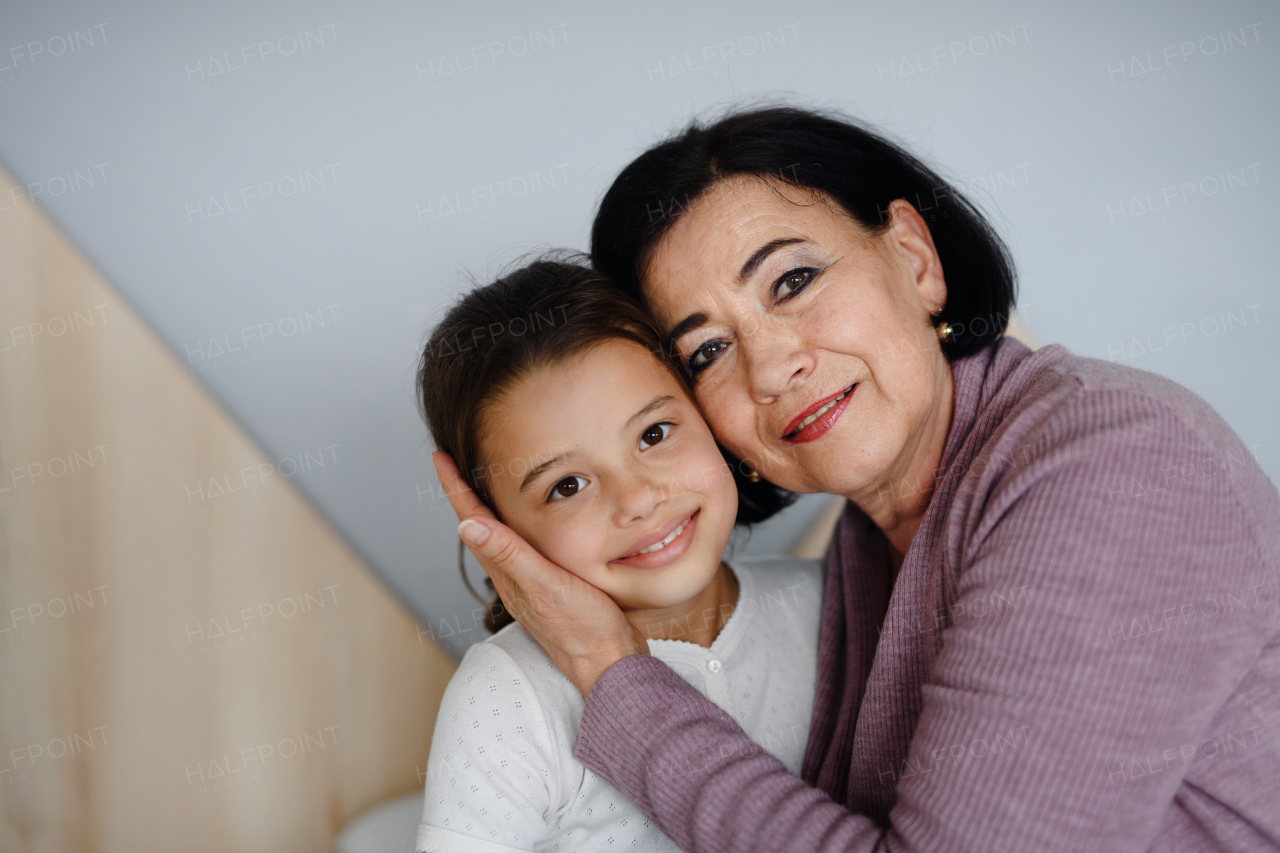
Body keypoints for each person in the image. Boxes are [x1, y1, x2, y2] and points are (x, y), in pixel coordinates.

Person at [435, 106, 1280, 852]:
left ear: (914, 257)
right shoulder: (863, 555)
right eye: (708, 350)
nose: (772, 367)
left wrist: (611, 669)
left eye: (793, 281)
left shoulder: (1113, 464)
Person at [415, 258, 825, 852]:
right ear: (499, 529)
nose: (637, 499)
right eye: (567, 486)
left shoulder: (824, 603)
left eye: (654, 434)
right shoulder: (509, 696)